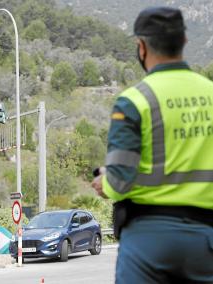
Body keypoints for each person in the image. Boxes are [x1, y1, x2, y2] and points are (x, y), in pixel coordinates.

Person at [91, 6, 213, 284]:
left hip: (148, 243)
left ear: (141, 46)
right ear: (184, 41)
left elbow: (120, 181)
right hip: (207, 238)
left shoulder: (133, 101)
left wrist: (104, 183)